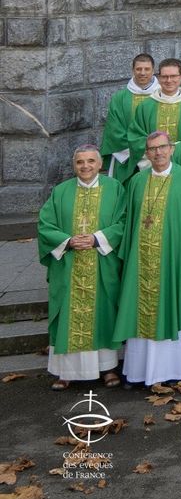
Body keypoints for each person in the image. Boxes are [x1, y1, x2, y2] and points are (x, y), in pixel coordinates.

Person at [114, 131, 181, 387]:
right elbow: (129, 221)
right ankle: (138, 371)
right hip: (140, 259)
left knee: (173, 303)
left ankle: (174, 370)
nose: (158, 153)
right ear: (147, 153)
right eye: (152, 149)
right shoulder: (136, 182)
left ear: (172, 149)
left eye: (162, 147)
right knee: (138, 308)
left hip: (175, 260)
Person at [39, 146, 125, 390]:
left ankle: (107, 368)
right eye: (79, 162)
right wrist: (68, 241)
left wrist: (97, 238)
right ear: (74, 165)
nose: (85, 166)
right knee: (66, 313)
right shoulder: (61, 191)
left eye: (90, 161)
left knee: (103, 313)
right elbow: (45, 225)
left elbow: (123, 221)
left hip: (101, 263)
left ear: (99, 164)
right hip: (68, 264)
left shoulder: (115, 189)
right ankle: (65, 371)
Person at [100, 55, 159, 181]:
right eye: (138, 69)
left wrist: (155, 150)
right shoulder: (119, 98)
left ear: (153, 70)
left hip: (159, 155)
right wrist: (141, 154)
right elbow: (114, 132)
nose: (142, 73)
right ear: (133, 70)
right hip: (127, 157)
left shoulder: (162, 95)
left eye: (147, 69)